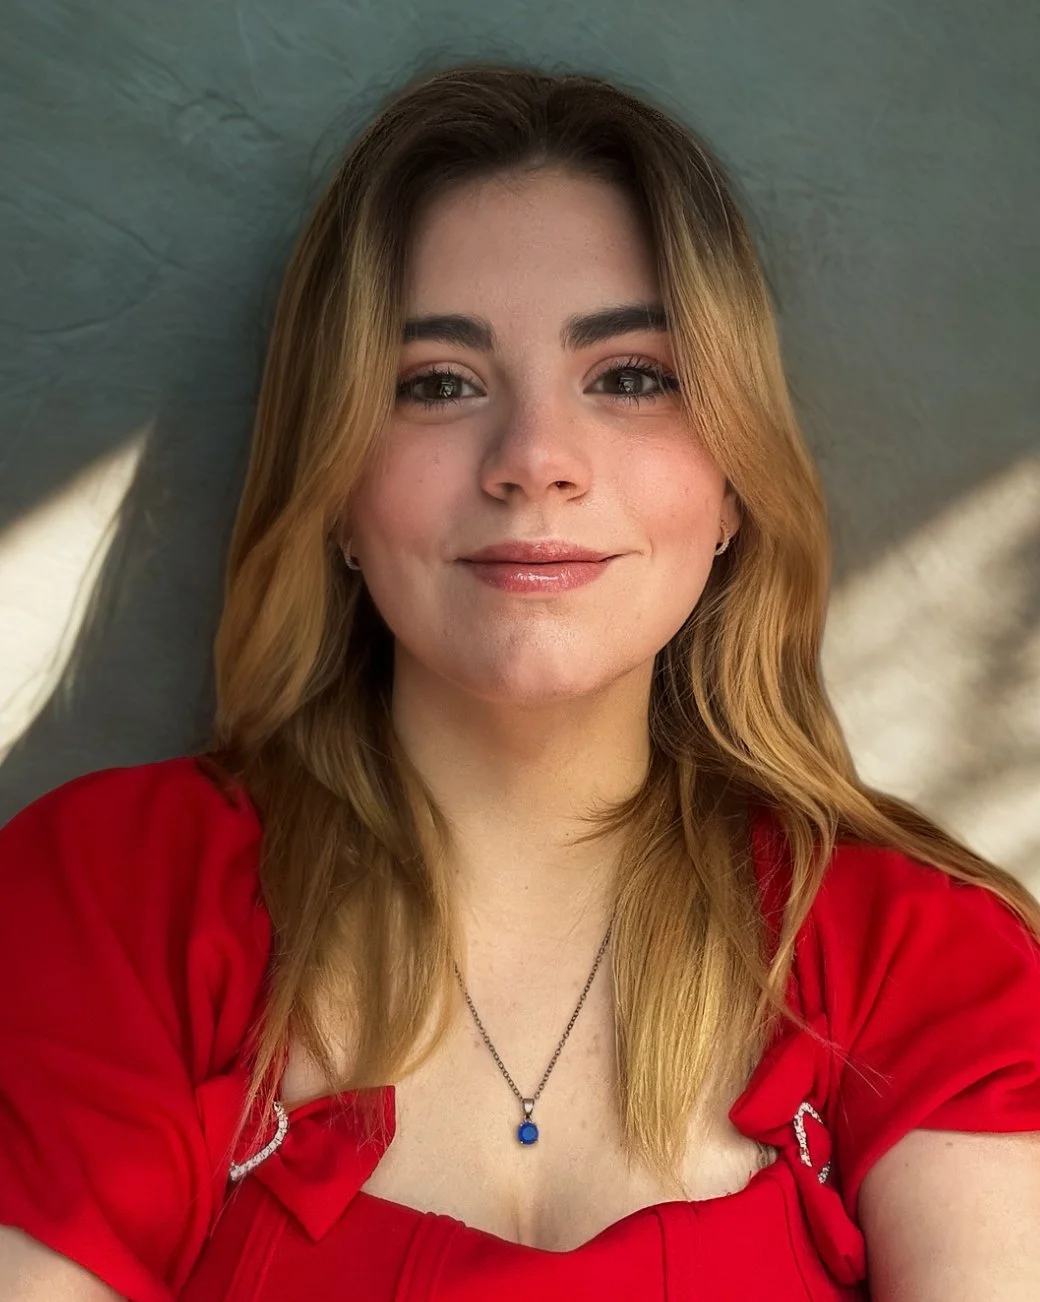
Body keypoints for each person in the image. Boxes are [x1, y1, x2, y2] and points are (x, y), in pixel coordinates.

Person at [1, 61, 1039, 1302]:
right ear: (333, 486)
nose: (534, 460)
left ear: (729, 491)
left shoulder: (918, 956)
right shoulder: (113, 898)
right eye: (437, 383)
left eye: (629, 377)